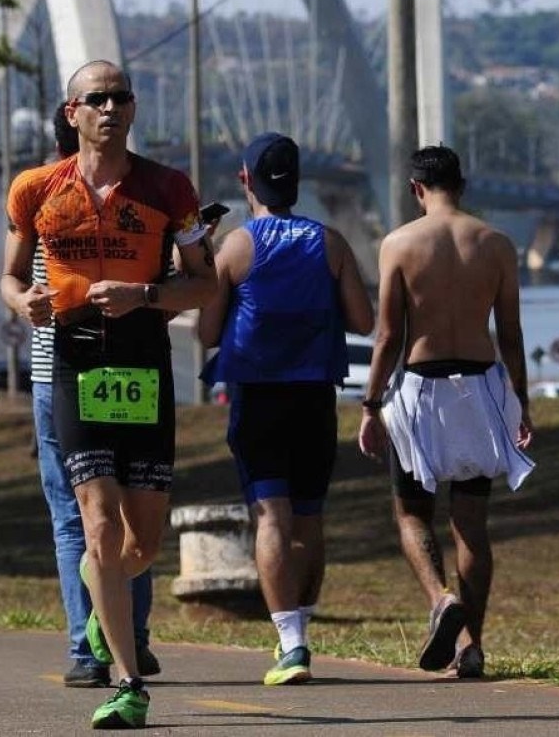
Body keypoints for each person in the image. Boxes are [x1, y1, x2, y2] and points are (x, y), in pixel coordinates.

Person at [1, 60, 217, 730]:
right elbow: (10, 279)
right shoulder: (36, 189)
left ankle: (105, 609)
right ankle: (127, 683)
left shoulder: (168, 187)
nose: (111, 108)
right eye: (97, 99)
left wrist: (144, 295)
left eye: (122, 97)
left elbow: (204, 283)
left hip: (143, 361)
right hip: (74, 363)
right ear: (73, 113)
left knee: (141, 545)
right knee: (96, 523)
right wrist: (25, 303)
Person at [198, 132, 374, 687]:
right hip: (315, 394)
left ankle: (290, 644)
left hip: (257, 395)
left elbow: (206, 332)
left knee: (270, 517)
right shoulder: (332, 243)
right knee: (309, 516)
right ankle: (303, 627)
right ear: (297, 181)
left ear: (246, 180)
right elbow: (364, 322)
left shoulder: (234, 247)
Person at [357, 144, 535, 680]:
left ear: (416, 190)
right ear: (463, 184)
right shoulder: (497, 244)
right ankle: (472, 647)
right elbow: (511, 334)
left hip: (422, 388)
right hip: (480, 389)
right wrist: (519, 403)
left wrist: (369, 404)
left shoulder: (400, 244)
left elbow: (389, 335)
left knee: (412, 513)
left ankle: (440, 599)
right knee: (471, 525)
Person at [29, 100, 158, 689]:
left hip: (69, 373)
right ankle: (131, 637)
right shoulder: (43, 201)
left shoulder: (48, 205)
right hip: (67, 372)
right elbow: (19, 287)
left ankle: (89, 646)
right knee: (107, 516)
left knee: (84, 521)